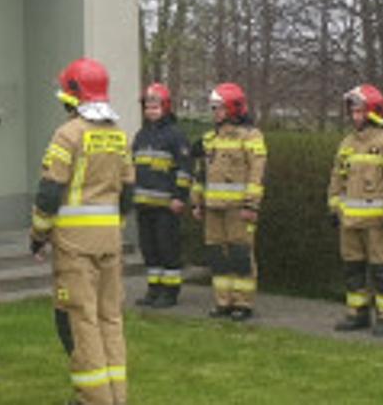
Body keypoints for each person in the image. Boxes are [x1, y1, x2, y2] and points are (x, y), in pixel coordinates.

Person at [31, 58, 135, 405]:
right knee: (110, 318)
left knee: (81, 320)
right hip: (110, 241)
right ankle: (116, 396)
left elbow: (49, 192)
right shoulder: (118, 135)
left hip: (75, 245)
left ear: (74, 95)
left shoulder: (68, 134)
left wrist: (38, 234)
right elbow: (128, 193)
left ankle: (93, 399)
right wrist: (114, 229)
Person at [328, 84, 383, 336]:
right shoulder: (347, 143)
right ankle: (358, 314)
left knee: (382, 270)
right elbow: (337, 179)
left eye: (360, 111)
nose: (355, 116)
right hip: (350, 221)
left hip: (378, 222)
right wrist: (333, 207)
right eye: (352, 111)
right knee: (353, 269)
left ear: (373, 112)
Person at [190, 83, 265, 320]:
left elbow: (257, 172)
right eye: (213, 108)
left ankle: (243, 303)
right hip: (213, 208)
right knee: (217, 256)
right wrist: (197, 201)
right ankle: (223, 301)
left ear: (233, 108)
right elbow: (200, 172)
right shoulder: (209, 139)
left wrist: (251, 204)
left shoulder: (251, 137)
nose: (215, 112)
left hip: (238, 210)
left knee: (240, 255)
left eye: (219, 108)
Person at [130, 83, 191, 309]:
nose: (151, 111)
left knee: (168, 250)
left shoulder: (175, 136)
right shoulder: (141, 135)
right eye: (148, 107)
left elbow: (185, 170)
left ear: (165, 107)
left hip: (166, 206)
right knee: (150, 251)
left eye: (155, 107)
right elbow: (133, 167)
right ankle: (154, 290)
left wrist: (179, 197)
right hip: (144, 205)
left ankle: (170, 292)